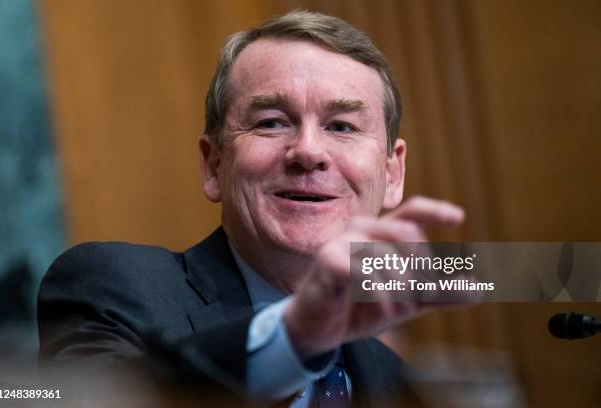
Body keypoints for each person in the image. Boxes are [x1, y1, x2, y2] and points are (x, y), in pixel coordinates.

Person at [38, 10, 464, 407]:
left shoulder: (395, 379)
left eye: (341, 126)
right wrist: (292, 340)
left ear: (392, 175)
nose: (308, 151)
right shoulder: (114, 288)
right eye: (271, 122)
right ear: (214, 164)